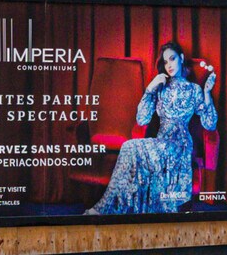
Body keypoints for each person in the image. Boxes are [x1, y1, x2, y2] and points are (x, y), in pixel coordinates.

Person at [89, 41, 218, 215]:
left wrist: (207, 93)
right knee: (129, 147)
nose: (169, 65)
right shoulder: (160, 87)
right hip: (160, 142)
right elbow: (142, 119)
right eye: (165, 62)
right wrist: (150, 89)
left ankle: (103, 209)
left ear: (181, 58)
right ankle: (109, 208)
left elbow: (210, 123)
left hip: (180, 146)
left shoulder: (193, 89)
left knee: (130, 146)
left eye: (172, 59)